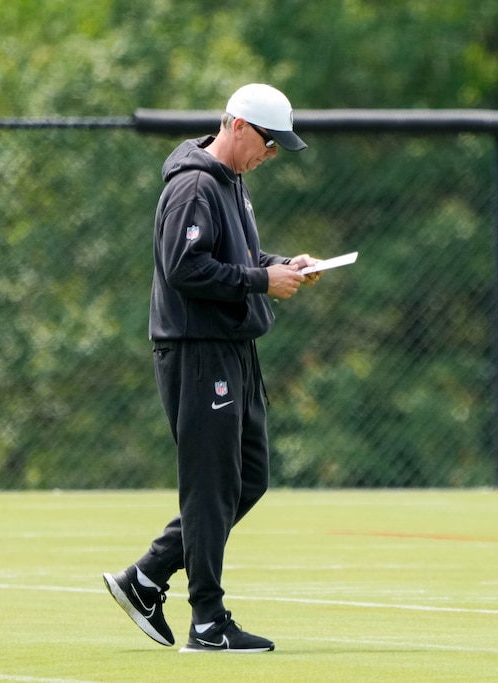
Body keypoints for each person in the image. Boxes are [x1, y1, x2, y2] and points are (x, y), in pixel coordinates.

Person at [103, 83, 320, 654]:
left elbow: (236, 259)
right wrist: (259, 281)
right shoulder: (196, 184)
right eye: (269, 143)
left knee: (247, 478)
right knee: (210, 485)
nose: (270, 155)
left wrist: (280, 265)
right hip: (198, 351)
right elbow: (185, 267)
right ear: (239, 126)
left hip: (230, 349)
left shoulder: (232, 183)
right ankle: (207, 621)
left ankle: (147, 576)